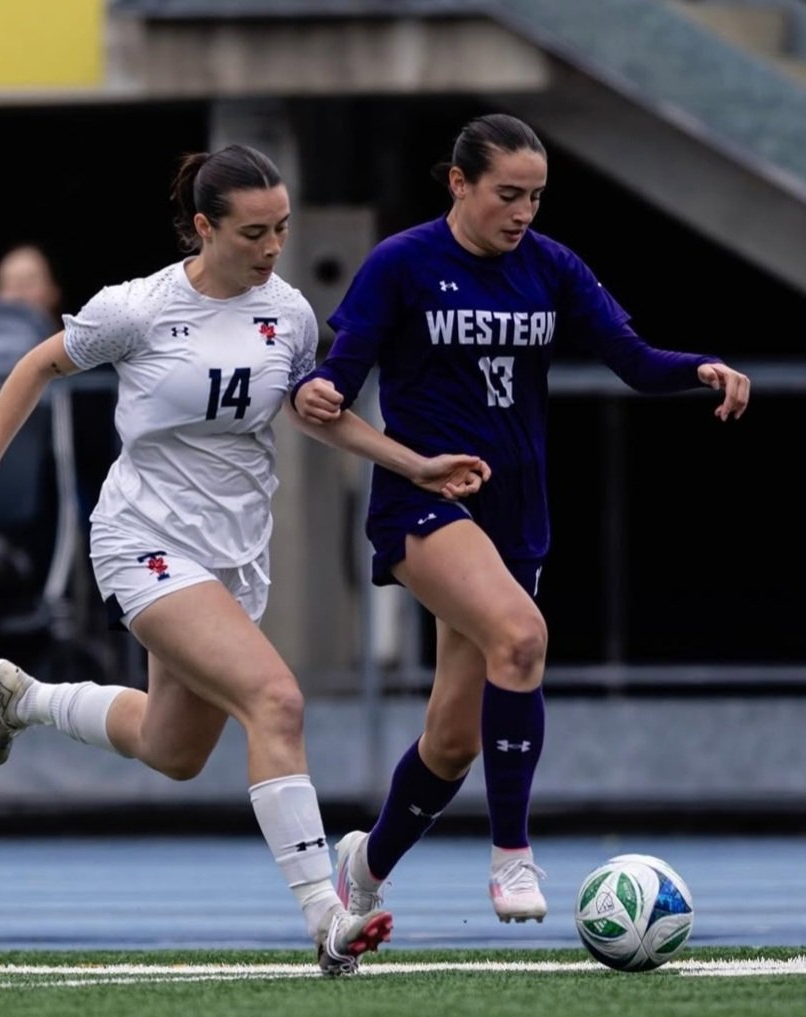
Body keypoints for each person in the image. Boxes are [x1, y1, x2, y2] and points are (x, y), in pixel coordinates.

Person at [0, 142, 491, 974]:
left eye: (282, 230)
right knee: (275, 700)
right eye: (253, 233)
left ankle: (29, 699)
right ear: (203, 227)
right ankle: (326, 917)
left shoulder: (292, 313)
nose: (272, 249)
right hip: (144, 540)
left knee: (174, 750)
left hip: (236, 554)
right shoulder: (137, 308)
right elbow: (33, 367)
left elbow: (314, 412)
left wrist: (412, 463)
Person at [289, 113, 751, 930]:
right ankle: (511, 856)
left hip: (514, 514)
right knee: (522, 637)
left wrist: (699, 369)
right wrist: (321, 389)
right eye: (508, 194)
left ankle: (364, 865)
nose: (523, 212)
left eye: (535, 196)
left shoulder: (551, 266)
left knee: (452, 741)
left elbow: (632, 359)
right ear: (459, 183)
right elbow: (339, 374)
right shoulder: (402, 263)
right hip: (427, 501)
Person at [0, 243, 63, 329]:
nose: (18, 295)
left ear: (53, 292)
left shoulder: (71, 340)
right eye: (10, 285)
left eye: (28, 283)